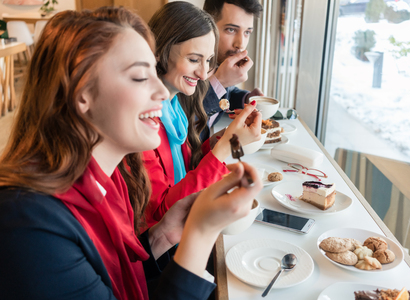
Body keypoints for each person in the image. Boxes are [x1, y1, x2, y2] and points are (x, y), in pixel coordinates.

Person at [0, 7, 262, 300]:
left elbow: (116, 277)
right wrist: (199, 234)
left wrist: (164, 234)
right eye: (140, 76)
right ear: (82, 93)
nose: (162, 93)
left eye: (154, 71)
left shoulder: (112, 184)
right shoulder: (29, 226)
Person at [143, 1, 262, 229]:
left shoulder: (174, 106)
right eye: (194, 60)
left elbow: (190, 163)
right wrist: (226, 146)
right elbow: (163, 214)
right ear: (160, 51)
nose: (203, 73)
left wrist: (226, 136)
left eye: (208, 61)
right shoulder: (146, 123)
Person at [201, 0, 264, 139]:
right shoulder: (190, 66)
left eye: (247, 32)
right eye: (231, 29)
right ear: (208, 25)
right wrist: (220, 82)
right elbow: (185, 123)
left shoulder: (218, 63)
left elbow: (226, 93)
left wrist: (246, 98)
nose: (240, 44)